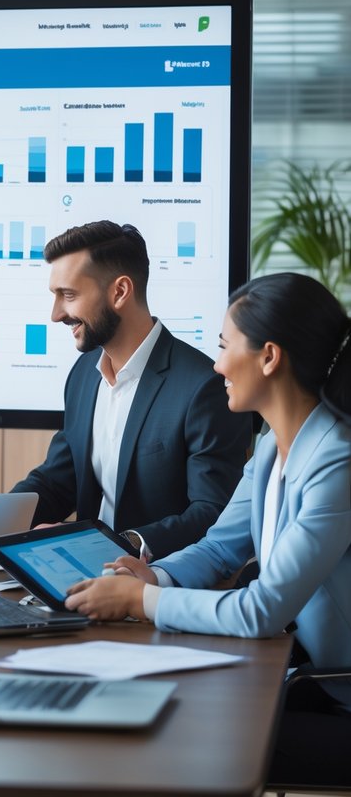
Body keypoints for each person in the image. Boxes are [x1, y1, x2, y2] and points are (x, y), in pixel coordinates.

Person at [65, 272, 351, 786]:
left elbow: (261, 610)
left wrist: (139, 601)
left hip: (339, 700)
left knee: (186, 735)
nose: (216, 365)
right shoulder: (274, 447)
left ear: (269, 357)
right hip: (310, 678)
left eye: (223, 346)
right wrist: (154, 577)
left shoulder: (338, 463)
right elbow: (220, 546)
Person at [10, 220, 252, 559]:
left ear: (120, 292)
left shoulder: (203, 388)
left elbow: (213, 512)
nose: (56, 314)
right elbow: (58, 482)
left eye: (69, 295)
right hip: (82, 576)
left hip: (156, 579)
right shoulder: (83, 374)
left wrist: (121, 545)